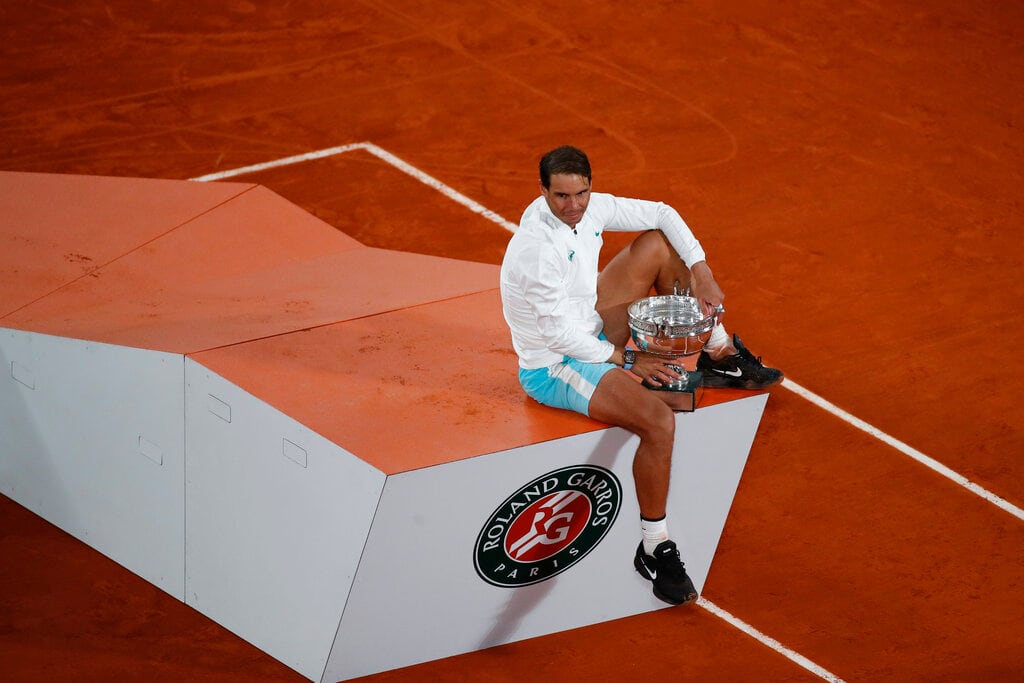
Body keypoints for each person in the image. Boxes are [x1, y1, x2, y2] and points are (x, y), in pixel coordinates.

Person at [499, 145, 782, 605]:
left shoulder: (590, 210)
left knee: (657, 243)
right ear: (542, 192)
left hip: (588, 323)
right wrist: (629, 361)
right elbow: (558, 339)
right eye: (561, 197)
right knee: (658, 422)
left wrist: (701, 269)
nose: (573, 206)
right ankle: (654, 546)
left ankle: (718, 352)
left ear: (590, 185)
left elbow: (662, 212)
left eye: (581, 194)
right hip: (557, 365)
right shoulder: (535, 251)